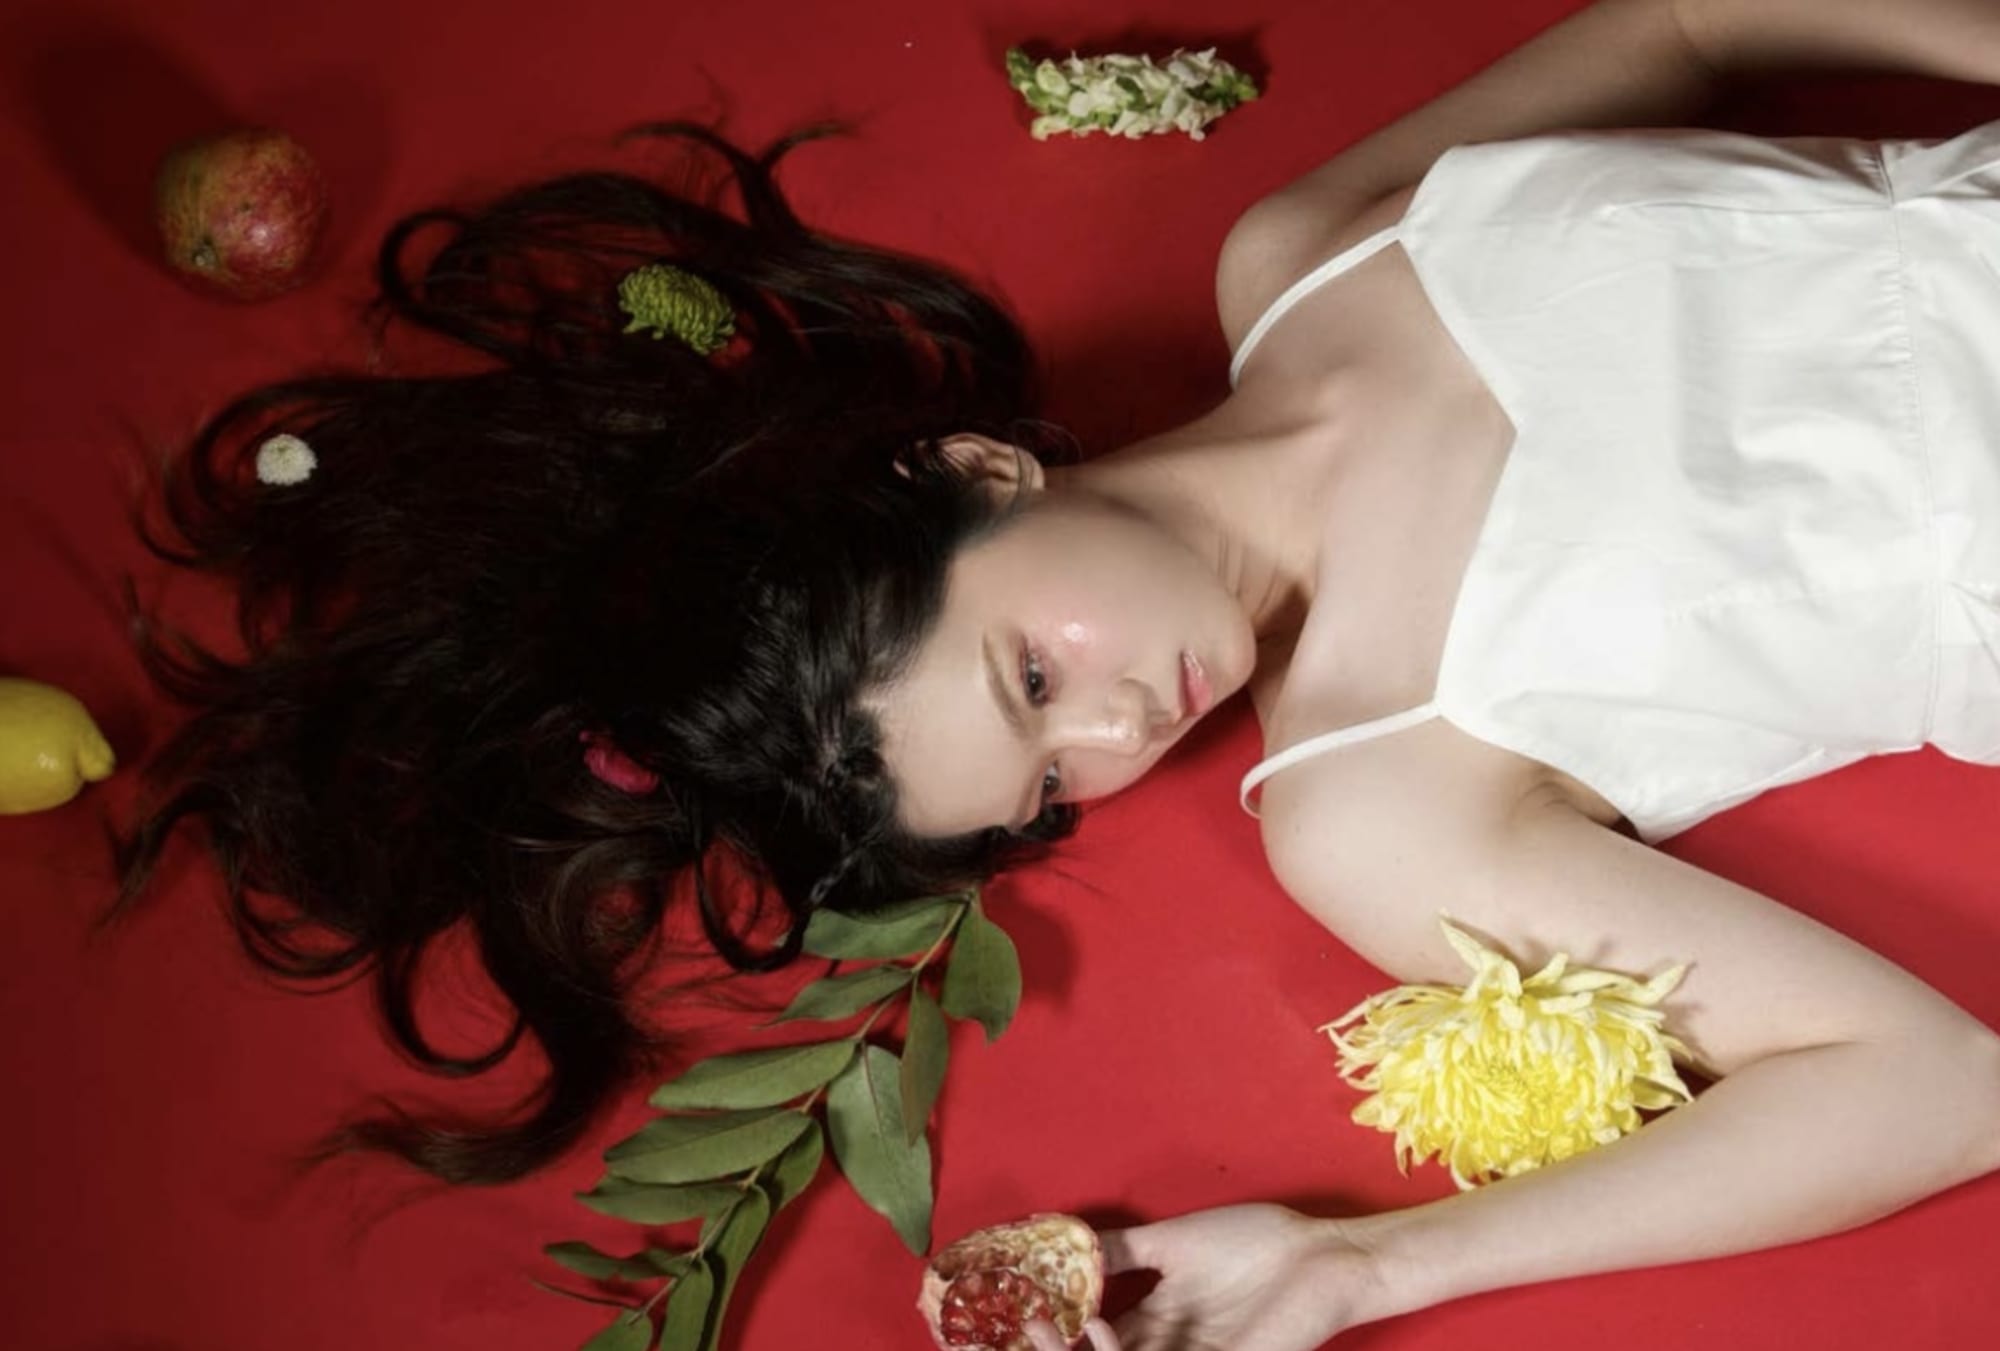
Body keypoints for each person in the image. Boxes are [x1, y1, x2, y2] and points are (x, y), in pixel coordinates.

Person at [117, 0, 2000, 1346]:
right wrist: (1370, 1272)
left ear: (978, 475)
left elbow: (1680, 26)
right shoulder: (1377, 797)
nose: (1120, 731)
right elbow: (1934, 1086)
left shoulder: (1302, 255)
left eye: (1029, 675)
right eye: (1043, 784)